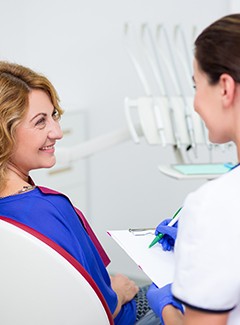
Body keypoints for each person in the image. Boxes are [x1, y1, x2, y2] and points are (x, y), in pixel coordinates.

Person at [0, 61, 161, 324]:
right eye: (40, 122)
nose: (57, 132)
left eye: (54, 116)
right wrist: (118, 292)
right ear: (3, 134)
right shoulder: (50, 209)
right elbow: (96, 309)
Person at [147, 13, 240, 325]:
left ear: (225, 88)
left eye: (196, 85)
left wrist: (165, 305)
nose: (195, 103)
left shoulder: (217, 203)